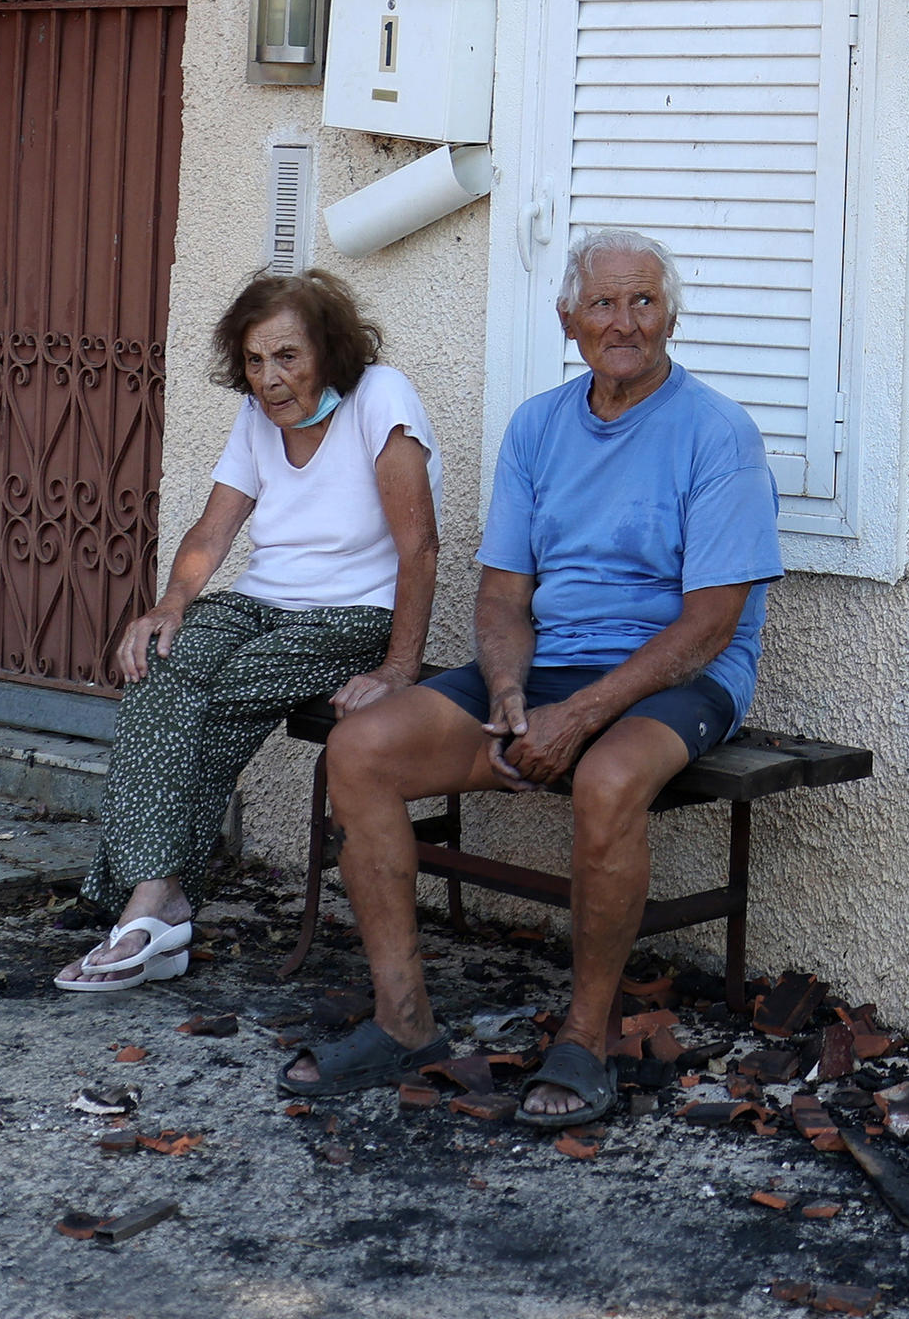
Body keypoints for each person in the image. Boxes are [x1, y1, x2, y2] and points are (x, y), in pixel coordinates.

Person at [283, 233, 781, 1125]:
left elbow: (709, 624)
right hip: (544, 662)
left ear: (670, 316)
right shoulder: (539, 425)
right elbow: (505, 595)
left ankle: (584, 1041)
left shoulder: (718, 433)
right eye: (603, 304)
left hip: (673, 671)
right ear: (568, 319)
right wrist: (513, 692)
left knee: (608, 774)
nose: (623, 323)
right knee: (360, 749)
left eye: (643, 303)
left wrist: (578, 714)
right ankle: (404, 1023)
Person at [55, 269, 438, 992]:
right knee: (161, 664)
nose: (270, 378)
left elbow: (419, 547)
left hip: (350, 615)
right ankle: (157, 898)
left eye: (288, 356)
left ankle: (140, 897)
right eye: (256, 360)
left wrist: (398, 668)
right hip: (261, 602)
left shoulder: (380, 398)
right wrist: (170, 602)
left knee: (212, 696)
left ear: (329, 348)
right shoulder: (259, 417)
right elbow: (215, 526)